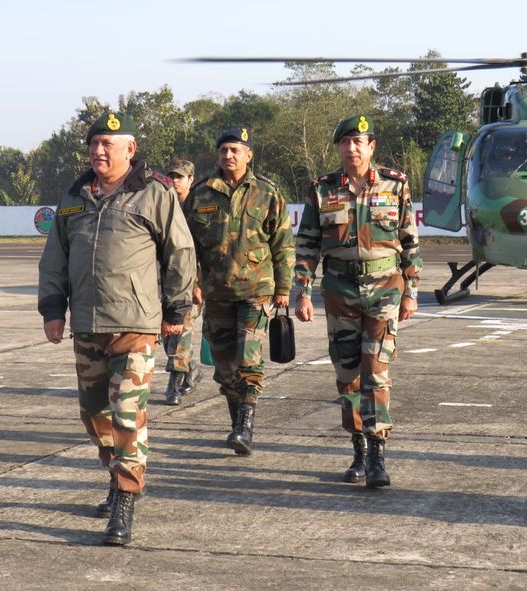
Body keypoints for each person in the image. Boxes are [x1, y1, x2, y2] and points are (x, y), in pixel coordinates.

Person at [38, 112, 195, 546]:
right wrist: (52, 308)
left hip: (135, 324)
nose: (98, 150)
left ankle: (125, 497)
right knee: (94, 415)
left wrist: (177, 308)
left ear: (131, 149)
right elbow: (55, 257)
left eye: (108, 143)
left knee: (127, 413)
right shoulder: (75, 197)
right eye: (94, 143)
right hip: (88, 325)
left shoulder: (154, 193)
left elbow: (180, 252)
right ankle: (115, 473)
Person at [294, 115, 422, 488]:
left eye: (358, 142)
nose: (351, 148)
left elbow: (409, 240)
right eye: (345, 142)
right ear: (339, 147)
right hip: (340, 290)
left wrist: (412, 291)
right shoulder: (322, 189)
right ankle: (359, 450)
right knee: (347, 373)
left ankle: (378, 454)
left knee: (376, 369)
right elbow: (307, 244)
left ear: (371, 147)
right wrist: (302, 291)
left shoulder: (395, 185)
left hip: (385, 287)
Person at [185, 127, 294, 456]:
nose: (228, 155)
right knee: (224, 366)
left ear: (249, 155)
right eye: (224, 150)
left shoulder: (267, 192)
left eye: (235, 150)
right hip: (216, 292)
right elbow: (186, 247)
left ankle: (245, 426)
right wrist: (192, 284)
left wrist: (284, 287)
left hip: (256, 290)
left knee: (249, 359)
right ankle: (237, 424)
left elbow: (283, 243)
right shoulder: (201, 193)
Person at [163, 158, 203, 405]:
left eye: (179, 177)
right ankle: (191, 369)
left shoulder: (199, 209)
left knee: (181, 331)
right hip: (166, 281)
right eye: (171, 176)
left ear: (191, 179)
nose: (174, 181)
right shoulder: (164, 205)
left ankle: (174, 385)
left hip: (190, 282)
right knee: (168, 334)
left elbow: (204, 250)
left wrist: (199, 283)